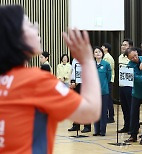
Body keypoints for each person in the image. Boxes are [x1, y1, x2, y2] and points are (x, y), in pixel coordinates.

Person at [0, 5, 101, 154]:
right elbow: (90, 112)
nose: (36, 28)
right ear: (15, 37)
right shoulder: (35, 81)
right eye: (28, 24)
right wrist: (86, 60)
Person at [123, 48, 142, 145]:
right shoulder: (129, 66)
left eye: (135, 56)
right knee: (134, 114)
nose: (135, 58)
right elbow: (134, 78)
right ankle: (133, 135)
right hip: (137, 92)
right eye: (132, 58)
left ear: (137, 53)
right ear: (128, 58)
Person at [68, 58, 91, 133]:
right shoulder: (74, 59)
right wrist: (71, 81)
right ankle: (76, 124)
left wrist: (77, 82)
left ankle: (87, 125)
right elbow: (73, 72)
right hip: (75, 84)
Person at [93, 46, 111, 136]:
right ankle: (96, 130)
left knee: (103, 111)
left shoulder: (106, 64)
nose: (98, 53)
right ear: (93, 54)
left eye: (99, 52)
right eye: (96, 52)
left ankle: (102, 130)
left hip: (104, 91)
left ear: (102, 53)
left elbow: (108, 77)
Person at [118, 39, 133, 133]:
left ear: (130, 47)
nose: (123, 47)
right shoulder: (120, 57)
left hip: (130, 85)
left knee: (130, 106)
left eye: (125, 45)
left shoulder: (132, 57)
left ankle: (132, 127)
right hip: (122, 85)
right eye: (122, 45)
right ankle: (126, 126)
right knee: (124, 107)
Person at [101, 43, 115, 123]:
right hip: (106, 80)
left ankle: (111, 116)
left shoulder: (107, 58)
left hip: (108, 80)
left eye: (102, 47)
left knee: (108, 99)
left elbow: (109, 70)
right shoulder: (106, 57)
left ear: (106, 48)